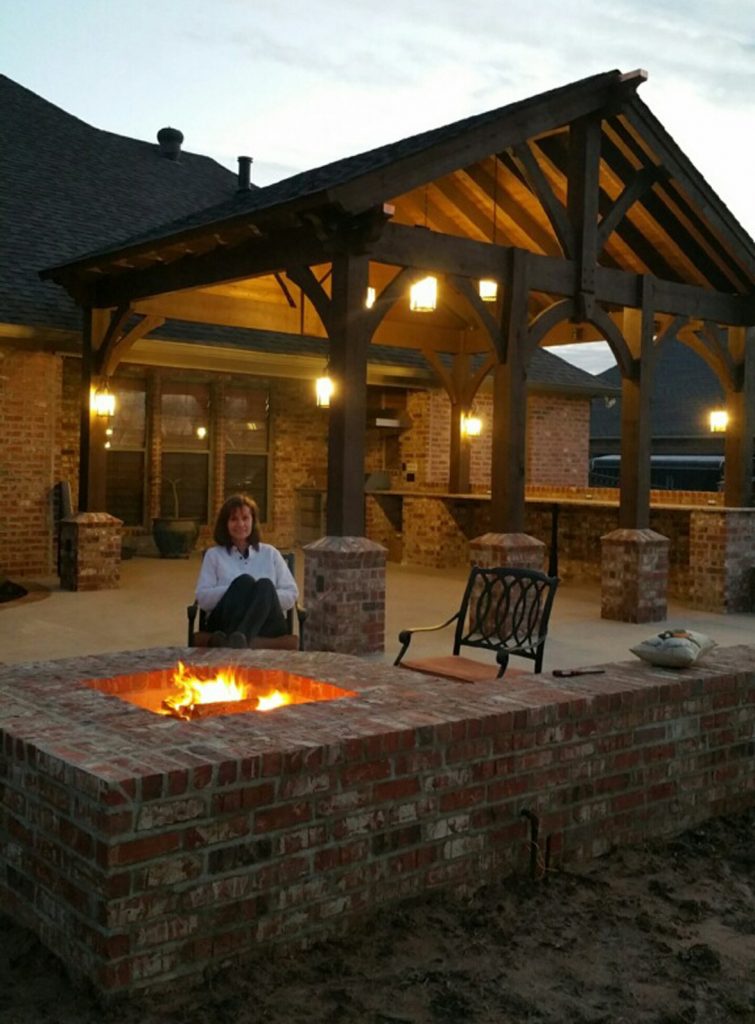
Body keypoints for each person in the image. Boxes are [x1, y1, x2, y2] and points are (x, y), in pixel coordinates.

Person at [195, 494, 298, 648]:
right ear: (225, 523)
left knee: (265, 585)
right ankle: (241, 638)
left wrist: (261, 598)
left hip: (266, 625)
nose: (240, 524)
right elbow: (203, 599)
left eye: (245, 518)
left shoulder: (270, 553)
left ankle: (239, 637)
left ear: (253, 521)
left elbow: (291, 594)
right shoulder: (214, 555)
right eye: (234, 519)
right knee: (244, 582)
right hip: (225, 622)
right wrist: (235, 591)